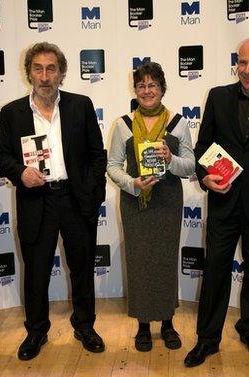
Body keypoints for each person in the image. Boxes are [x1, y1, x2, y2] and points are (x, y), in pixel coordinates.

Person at [0, 42, 107, 360]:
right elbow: (2, 156)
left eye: (51, 68)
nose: (45, 76)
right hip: (36, 200)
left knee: (82, 269)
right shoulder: (13, 112)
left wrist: (93, 193)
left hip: (75, 199)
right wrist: (20, 173)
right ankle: (36, 332)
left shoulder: (80, 105)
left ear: (61, 73)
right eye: (38, 68)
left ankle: (85, 326)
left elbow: (97, 154)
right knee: (37, 271)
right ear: (28, 72)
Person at [184, 37, 249, 367]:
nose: (246, 70)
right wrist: (204, 177)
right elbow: (202, 148)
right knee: (215, 270)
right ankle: (207, 338)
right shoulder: (217, 97)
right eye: (241, 62)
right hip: (224, 202)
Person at [107, 62, 194, 351]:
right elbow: (113, 166)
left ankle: (168, 323)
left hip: (168, 200)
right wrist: (133, 184)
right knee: (140, 261)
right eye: (141, 85)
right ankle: (143, 325)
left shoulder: (179, 124)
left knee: (166, 260)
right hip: (136, 202)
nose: (147, 91)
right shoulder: (122, 124)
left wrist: (171, 159)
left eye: (152, 85)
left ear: (162, 89)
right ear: (135, 90)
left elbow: (191, 167)